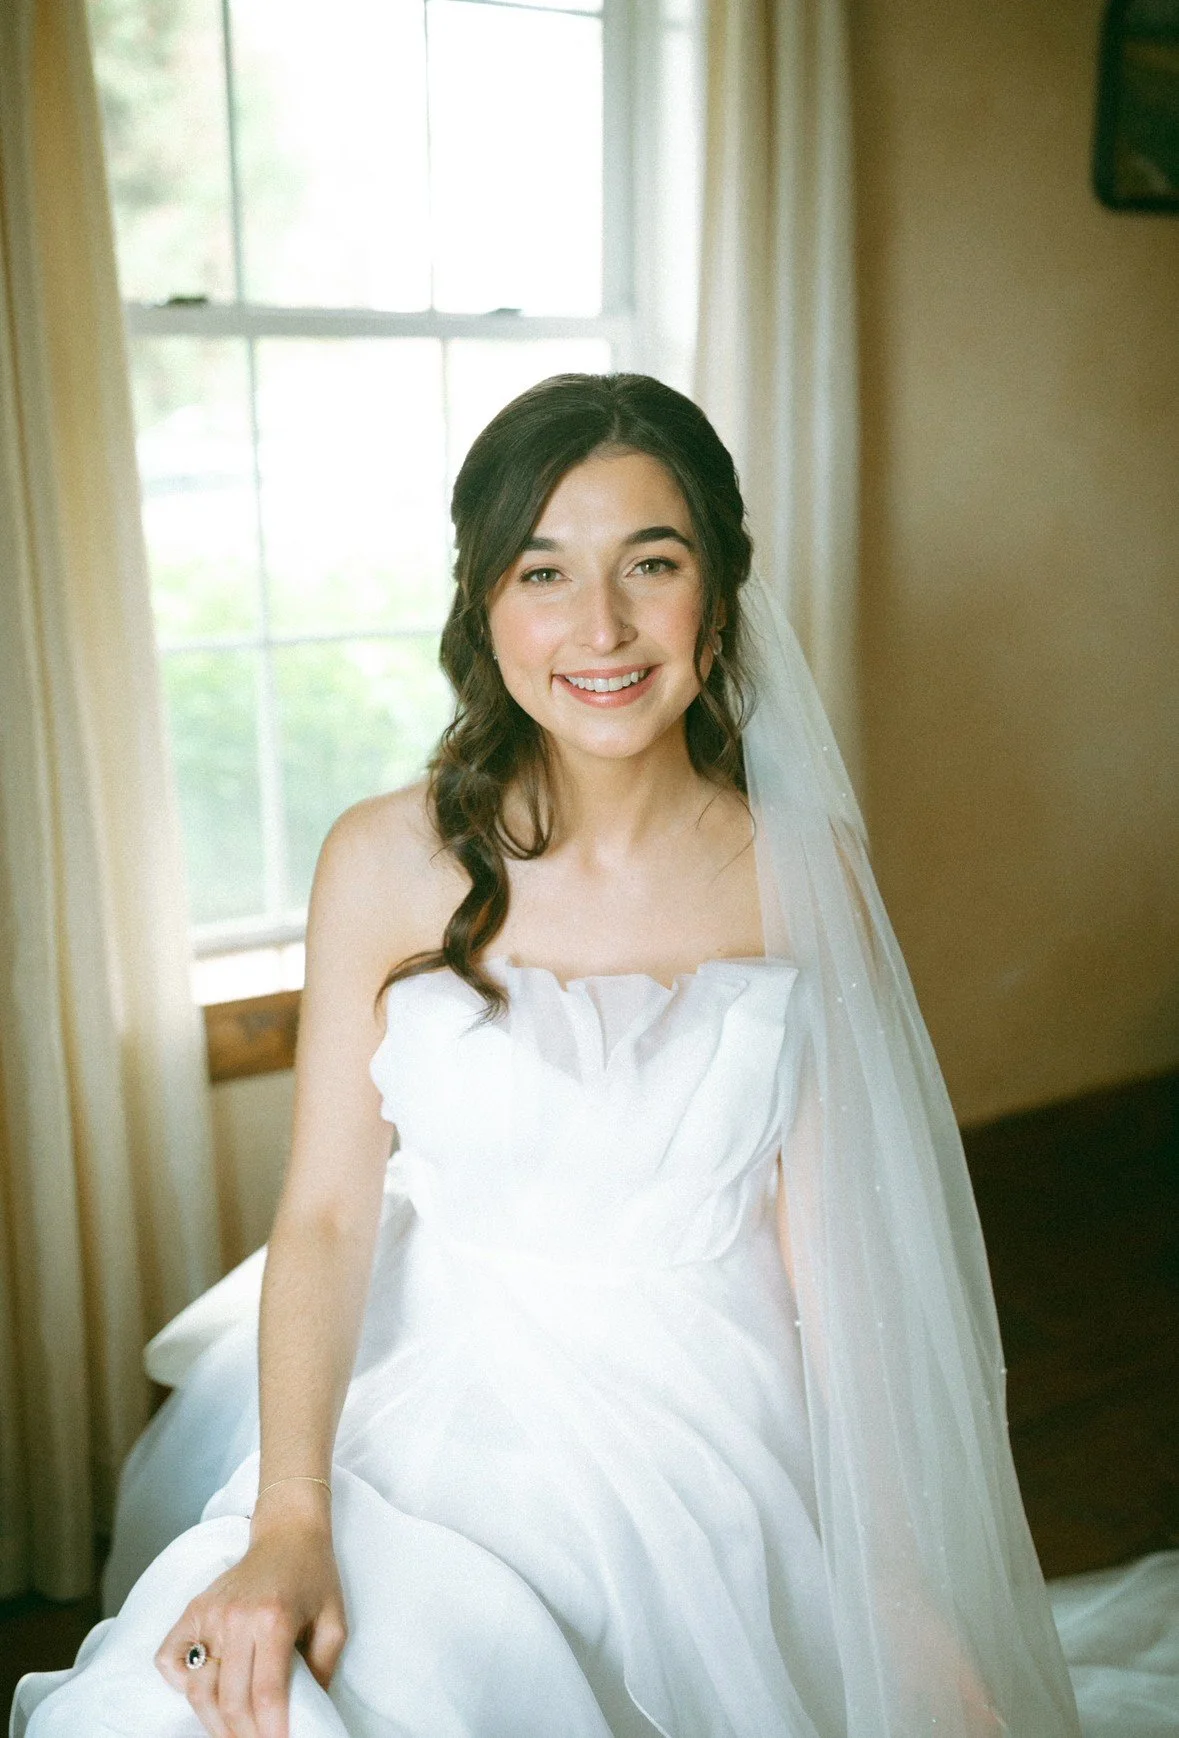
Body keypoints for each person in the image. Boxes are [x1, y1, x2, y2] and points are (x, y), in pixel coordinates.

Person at [11, 374, 1177, 1738]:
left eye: (652, 563)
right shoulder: (382, 861)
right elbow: (326, 1212)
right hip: (428, 1394)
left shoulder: (801, 872)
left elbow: (837, 1256)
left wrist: (907, 1597)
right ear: (483, 605)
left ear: (718, 596)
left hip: (709, 1421)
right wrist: (290, 1519)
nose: (602, 626)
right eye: (544, 570)